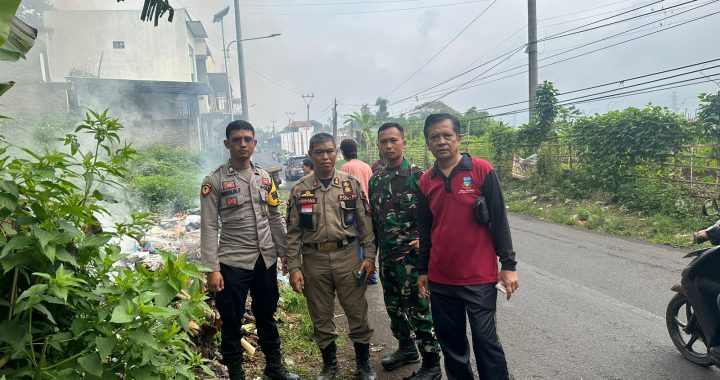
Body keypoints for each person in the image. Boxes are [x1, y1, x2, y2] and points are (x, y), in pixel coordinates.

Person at [415, 114, 519, 380]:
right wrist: (422, 270)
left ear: (458, 138)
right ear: (427, 142)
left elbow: (499, 220)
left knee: (486, 343)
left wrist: (508, 265)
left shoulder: (481, 170)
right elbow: (425, 232)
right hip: (441, 279)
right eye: (434, 137)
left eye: (447, 135)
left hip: (479, 278)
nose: (441, 141)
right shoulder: (426, 182)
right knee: (453, 347)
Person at [200, 120, 299, 380]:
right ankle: (236, 373)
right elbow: (209, 227)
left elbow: (275, 217)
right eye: (236, 139)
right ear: (227, 144)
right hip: (232, 262)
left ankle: (274, 368)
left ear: (255, 143)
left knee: (267, 315)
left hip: (264, 260)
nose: (243, 144)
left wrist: (285, 252)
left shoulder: (265, 177)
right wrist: (212, 268)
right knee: (231, 321)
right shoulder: (215, 180)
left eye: (247, 139)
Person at [286, 133, 378, 380]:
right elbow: (293, 232)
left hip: (348, 256)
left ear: (336, 153)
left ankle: (364, 364)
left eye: (329, 151)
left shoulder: (351, 184)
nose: (325, 157)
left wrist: (369, 257)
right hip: (314, 260)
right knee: (320, 315)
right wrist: (294, 267)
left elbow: (365, 224)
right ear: (310, 155)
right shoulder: (300, 189)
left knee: (357, 312)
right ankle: (330, 365)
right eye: (319, 152)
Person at [368, 122, 442, 380]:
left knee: (418, 309)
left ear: (404, 143)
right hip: (387, 258)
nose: (388, 146)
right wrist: (372, 256)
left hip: (412, 260)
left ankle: (432, 364)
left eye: (393, 141)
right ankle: (407, 349)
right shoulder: (376, 179)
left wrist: (427, 241)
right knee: (394, 307)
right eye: (383, 142)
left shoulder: (419, 176)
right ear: (378, 145)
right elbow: (375, 222)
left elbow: (437, 215)